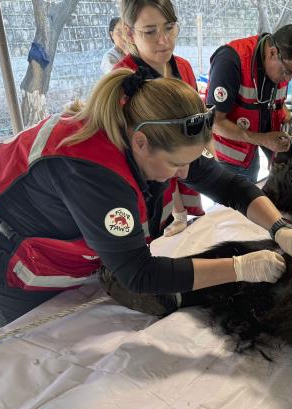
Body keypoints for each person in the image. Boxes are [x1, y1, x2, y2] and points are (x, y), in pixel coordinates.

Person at [0, 67, 292, 327]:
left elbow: (228, 185)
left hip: (54, 217)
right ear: (140, 143)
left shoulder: (156, 133)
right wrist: (239, 268)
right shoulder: (93, 173)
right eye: (174, 165)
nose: (181, 175)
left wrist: (279, 226)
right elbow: (139, 272)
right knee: (40, 342)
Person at [115, 0, 203, 236]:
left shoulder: (182, 68)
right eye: (150, 31)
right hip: (149, 189)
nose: (164, 40)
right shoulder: (124, 82)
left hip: (184, 169)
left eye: (169, 27)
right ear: (129, 33)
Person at [206, 24, 292, 182]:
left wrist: (289, 118)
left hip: (250, 155)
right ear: (272, 52)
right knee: (231, 204)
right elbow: (214, 122)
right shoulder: (230, 61)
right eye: (287, 72)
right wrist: (262, 139)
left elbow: (276, 104)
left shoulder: (278, 68)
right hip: (226, 159)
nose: (288, 79)